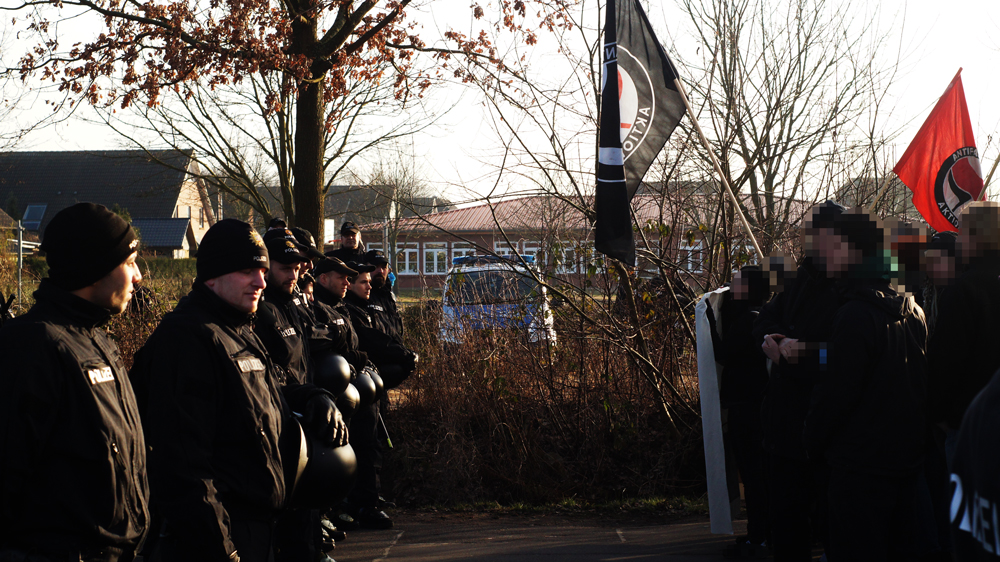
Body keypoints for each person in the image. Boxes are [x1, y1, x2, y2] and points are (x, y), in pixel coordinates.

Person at [131, 219, 348, 562]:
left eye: (262, 270)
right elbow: (184, 466)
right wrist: (223, 549)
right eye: (248, 270)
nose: (261, 281)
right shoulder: (187, 340)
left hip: (258, 529)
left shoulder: (237, 328)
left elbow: (265, 394)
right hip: (219, 538)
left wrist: (311, 395)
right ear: (213, 275)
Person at [0, 203, 149, 561]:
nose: (139, 275)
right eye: (129, 262)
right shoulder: (33, 348)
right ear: (94, 270)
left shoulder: (100, 343)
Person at [803, 208, 927, 561]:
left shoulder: (855, 314)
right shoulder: (911, 309)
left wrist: (812, 440)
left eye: (833, 245)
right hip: (903, 467)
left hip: (859, 471)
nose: (823, 253)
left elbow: (836, 392)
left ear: (855, 250)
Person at [753, 201, 847, 562]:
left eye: (815, 232)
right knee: (786, 528)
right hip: (782, 428)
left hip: (824, 432)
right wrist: (773, 342)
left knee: (828, 528)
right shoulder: (798, 279)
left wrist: (797, 353)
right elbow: (764, 320)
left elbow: (841, 358)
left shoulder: (848, 291)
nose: (807, 239)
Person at [256, 230, 336, 562]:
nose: (294, 274)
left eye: (297, 267)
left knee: (306, 511)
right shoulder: (262, 311)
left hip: (305, 421)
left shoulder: (290, 304)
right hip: (284, 428)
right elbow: (272, 377)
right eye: (285, 268)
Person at [928, 202, 1000, 459]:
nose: (958, 241)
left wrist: (939, 415)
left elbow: (945, 360)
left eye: (963, 233)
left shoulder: (964, 291)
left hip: (968, 427)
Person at [717, 266, 772, 558]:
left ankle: (758, 535)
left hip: (746, 408)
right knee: (756, 474)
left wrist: (709, 321)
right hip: (756, 405)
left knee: (753, 475)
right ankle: (759, 533)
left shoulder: (748, 321)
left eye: (737, 282)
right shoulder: (761, 316)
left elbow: (723, 353)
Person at [363, 250, 418, 388]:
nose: (380, 271)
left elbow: (395, 330)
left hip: (391, 363)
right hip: (371, 369)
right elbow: (371, 337)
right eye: (375, 267)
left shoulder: (388, 297)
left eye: (384, 267)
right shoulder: (362, 295)